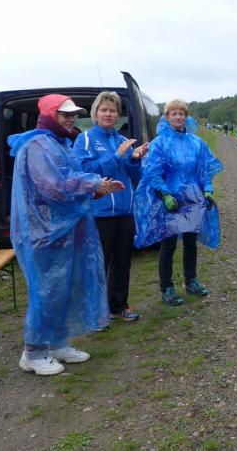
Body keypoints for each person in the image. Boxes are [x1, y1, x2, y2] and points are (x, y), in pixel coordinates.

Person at [10, 94, 122, 376]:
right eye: (65, 114)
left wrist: (98, 189)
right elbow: (54, 187)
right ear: (49, 115)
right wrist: (92, 183)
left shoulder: (61, 143)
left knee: (65, 288)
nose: (71, 119)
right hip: (44, 233)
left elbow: (71, 183)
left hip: (66, 229)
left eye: (73, 114)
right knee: (46, 291)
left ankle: (58, 343)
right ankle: (33, 352)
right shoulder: (37, 145)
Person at [134, 100, 224, 306]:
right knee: (169, 244)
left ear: (186, 116)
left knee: (191, 242)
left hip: (193, 198)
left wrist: (207, 190)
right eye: (173, 113)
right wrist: (165, 194)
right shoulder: (160, 143)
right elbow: (153, 172)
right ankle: (167, 288)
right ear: (167, 117)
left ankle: (191, 281)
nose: (177, 117)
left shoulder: (197, 143)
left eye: (181, 113)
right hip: (171, 200)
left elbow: (204, 169)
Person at [74, 91, 149, 323]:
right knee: (98, 264)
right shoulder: (85, 139)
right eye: (104, 109)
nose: (108, 114)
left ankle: (119, 306)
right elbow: (86, 173)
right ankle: (96, 313)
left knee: (123, 262)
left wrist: (135, 159)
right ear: (95, 113)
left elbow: (134, 176)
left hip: (125, 211)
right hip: (99, 212)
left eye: (113, 110)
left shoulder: (122, 140)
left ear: (118, 115)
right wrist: (117, 156)